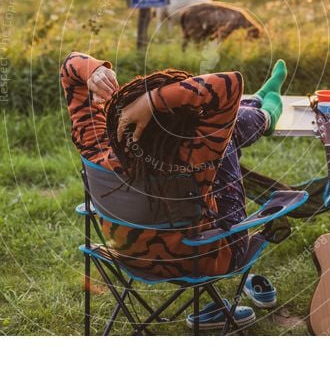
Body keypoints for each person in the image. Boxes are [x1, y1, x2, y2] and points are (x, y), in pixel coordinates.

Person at [61, 52, 287, 328]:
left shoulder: (95, 145)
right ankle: (266, 111)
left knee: (226, 134)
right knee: (226, 143)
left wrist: (93, 70)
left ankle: (261, 106)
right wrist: (153, 101)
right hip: (204, 259)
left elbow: (69, 67)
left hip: (129, 256)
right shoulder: (196, 154)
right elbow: (230, 83)